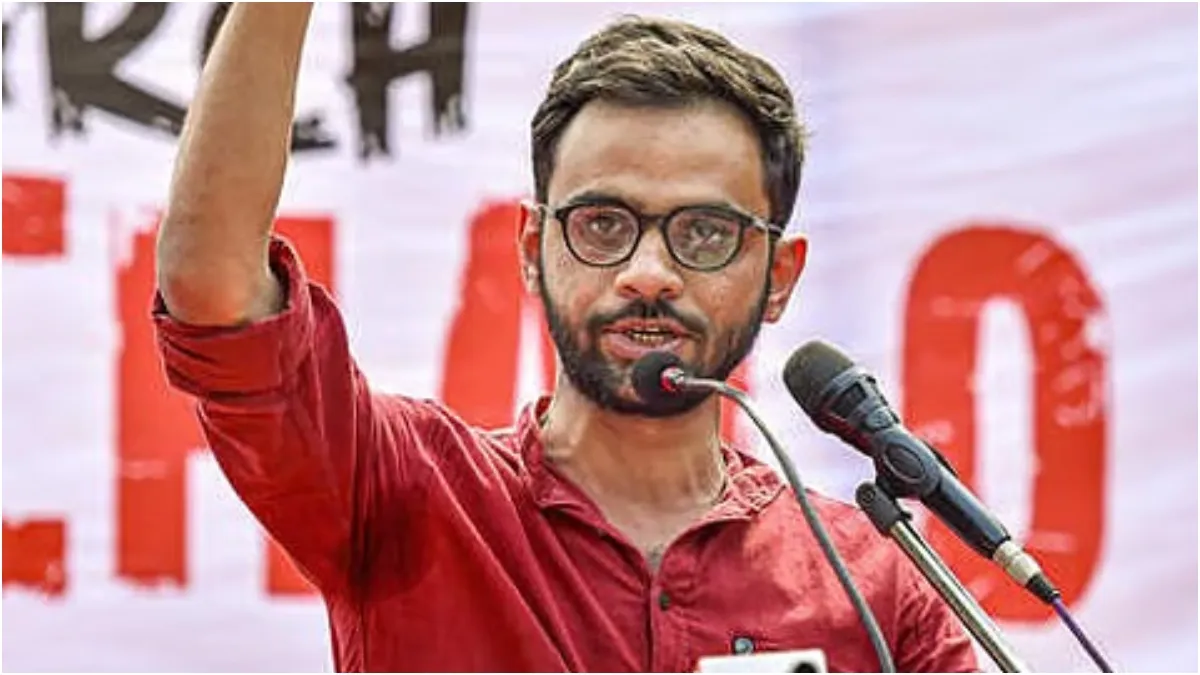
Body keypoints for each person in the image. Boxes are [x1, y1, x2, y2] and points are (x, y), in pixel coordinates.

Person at [153, 3, 978, 672]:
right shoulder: (407, 489)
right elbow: (212, 287)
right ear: (531, 248)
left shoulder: (868, 581)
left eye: (704, 233)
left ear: (781, 276)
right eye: (603, 224)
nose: (648, 273)